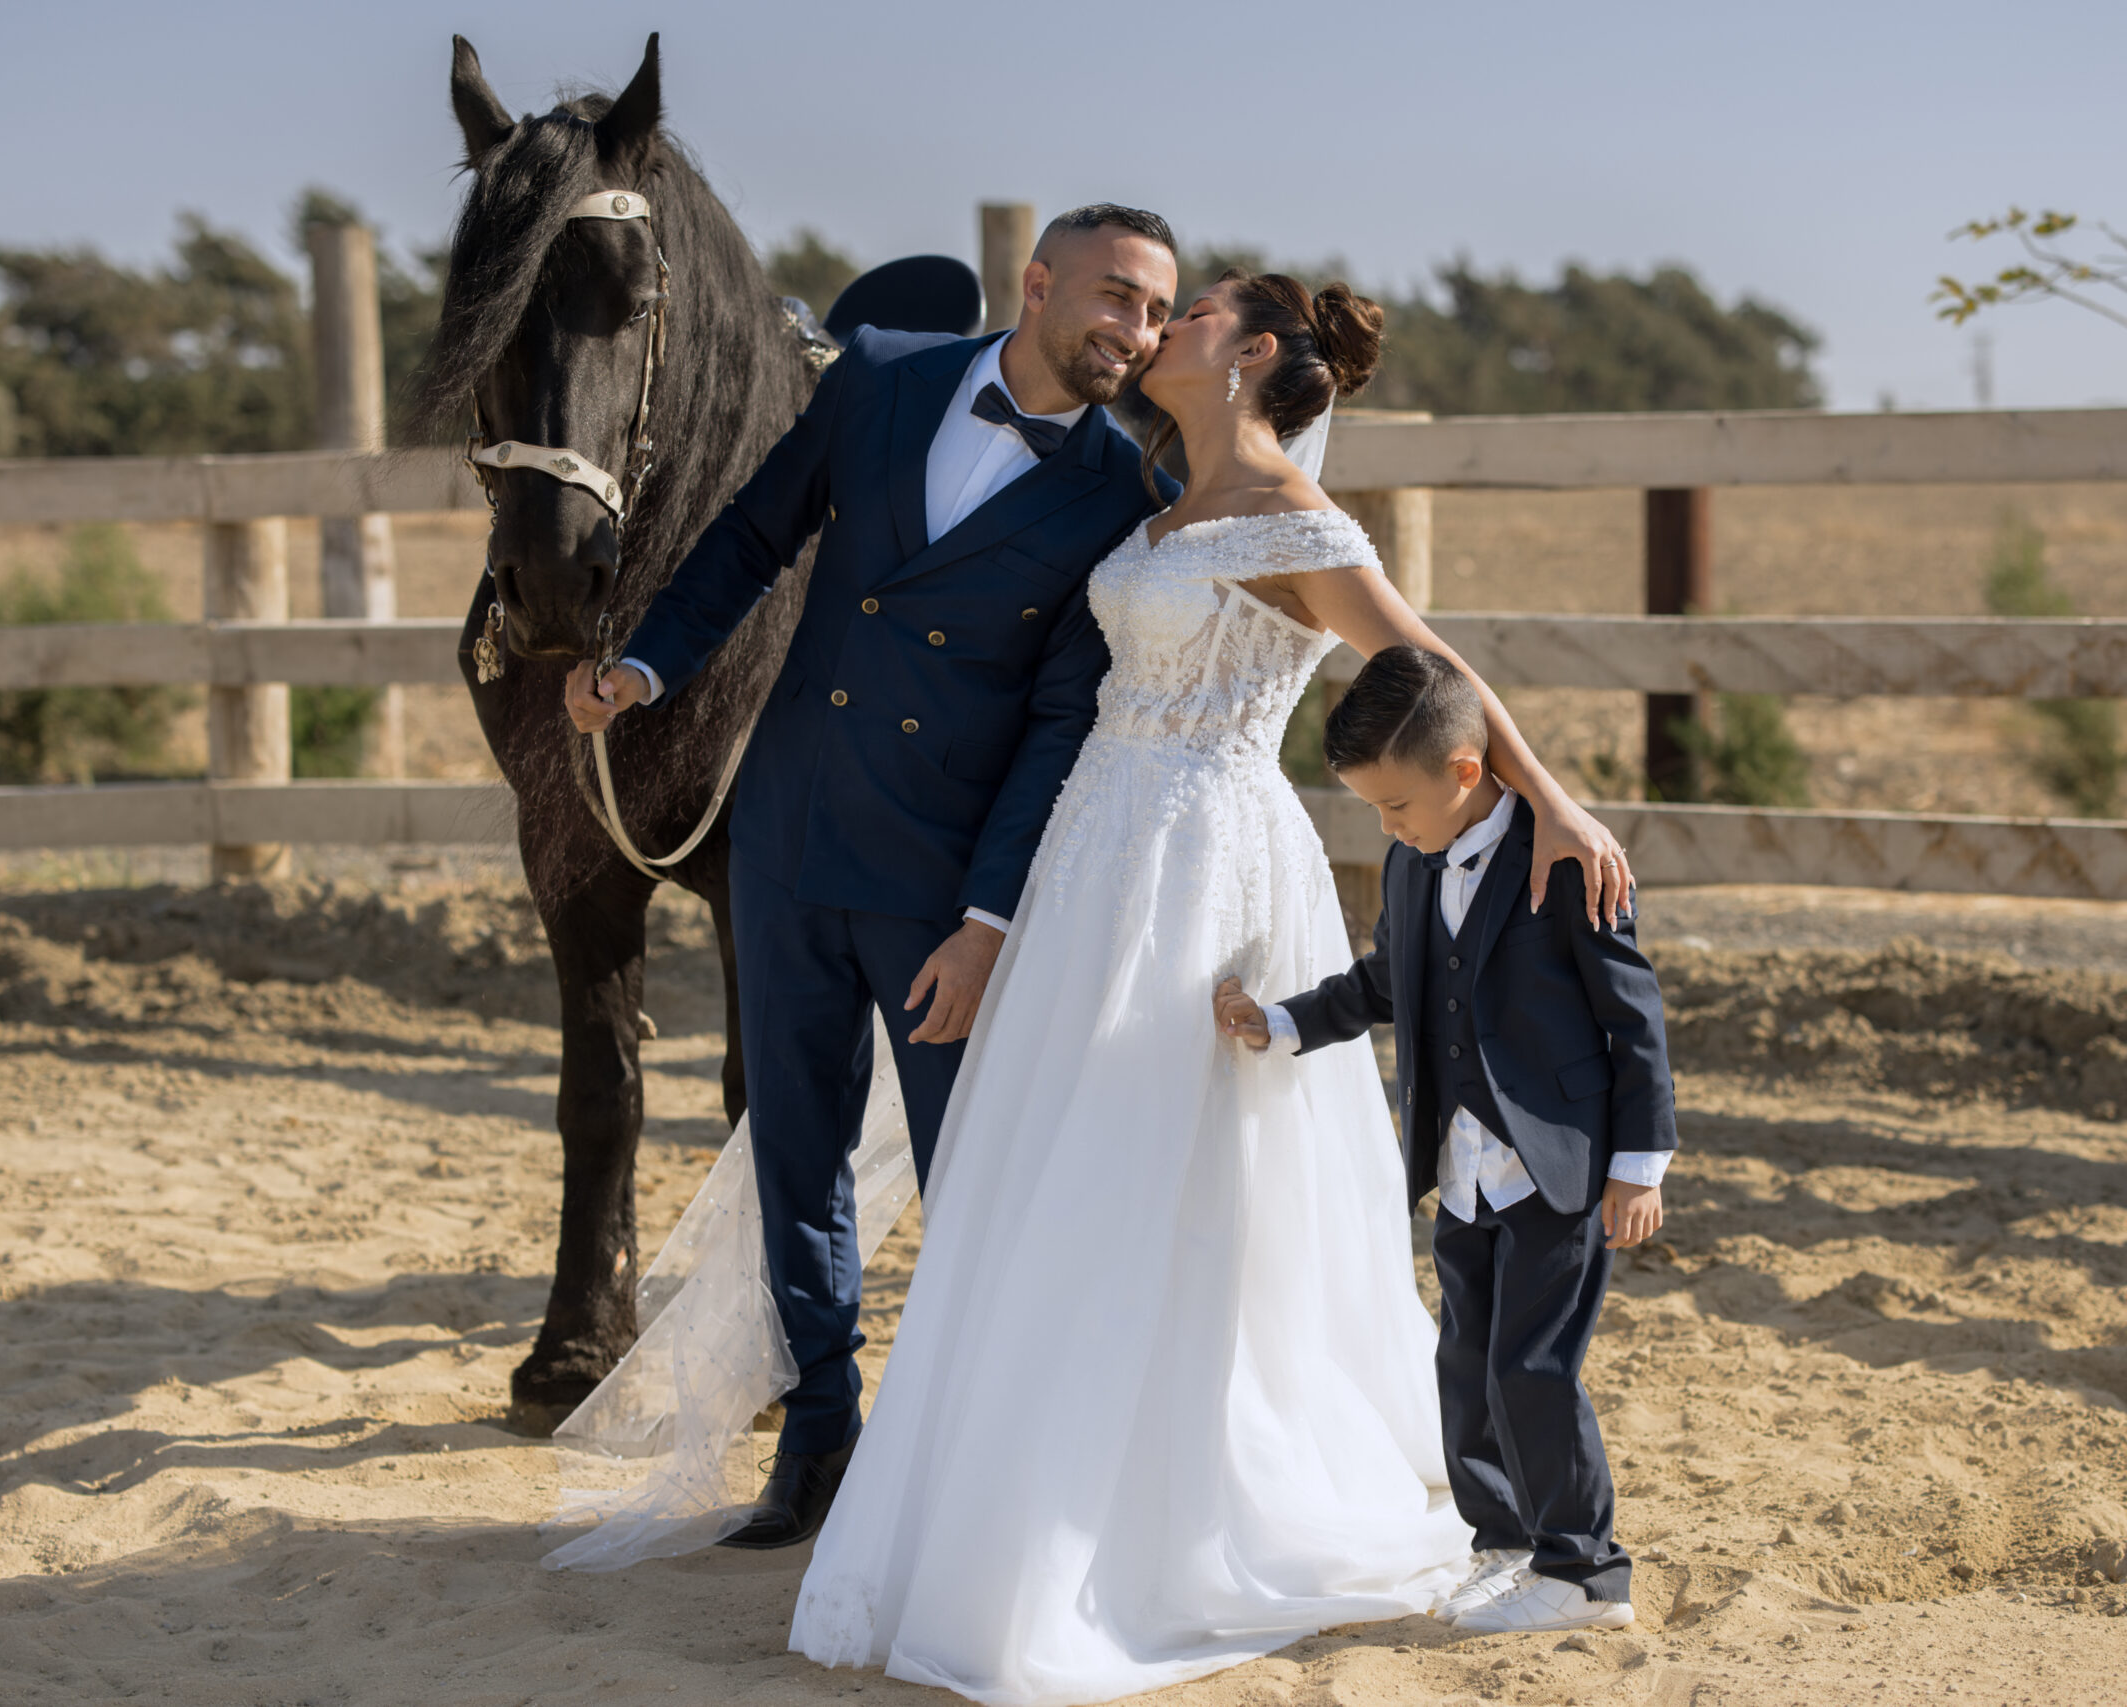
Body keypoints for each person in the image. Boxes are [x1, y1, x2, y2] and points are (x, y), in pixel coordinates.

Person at [786, 270, 1636, 1702]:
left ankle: (1146, 1509)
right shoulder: (1164, 502)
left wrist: (1552, 801)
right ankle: (1009, 1488)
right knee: (1054, 1155)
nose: (1160, 328)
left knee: (1164, 1164)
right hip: (1095, 853)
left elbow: (1431, 666)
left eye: (1192, 315)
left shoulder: (1298, 522)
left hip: (1204, 863)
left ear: (1249, 355)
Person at [565, 204, 1184, 1549]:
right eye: (1116, 297)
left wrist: (988, 917)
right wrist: (648, 665)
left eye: (1154, 313)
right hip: (787, 834)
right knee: (793, 1150)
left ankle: (966, 1454)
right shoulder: (884, 378)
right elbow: (751, 536)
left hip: (941, 880)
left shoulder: (1127, 493)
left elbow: (1060, 722)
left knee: (972, 1171)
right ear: (1038, 283)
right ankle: (819, 1435)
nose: (1136, 333)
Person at [1218, 644, 1677, 1635]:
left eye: (1396, 806)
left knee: (1531, 1370)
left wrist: (1639, 1167)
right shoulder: (1412, 863)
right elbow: (1389, 982)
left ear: (1465, 771)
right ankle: (1502, 1546)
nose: (1388, 827)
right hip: (1464, 1168)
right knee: (1463, 1368)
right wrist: (1285, 1023)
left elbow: (1632, 1016)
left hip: (1560, 1167)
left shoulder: (1567, 861)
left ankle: (1585, 1573)